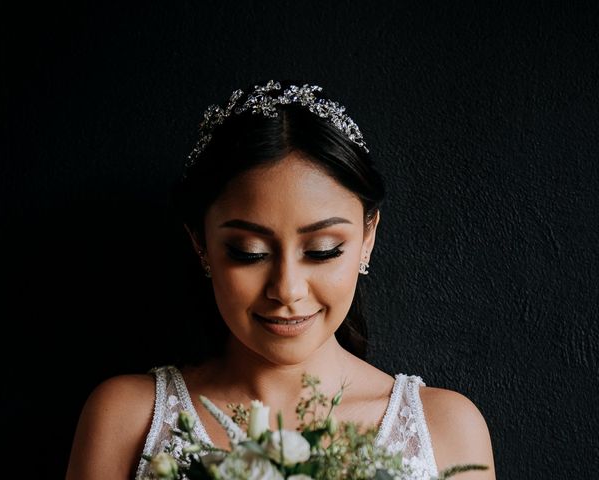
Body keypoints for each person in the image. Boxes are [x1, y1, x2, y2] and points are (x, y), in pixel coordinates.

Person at [66, 80, 496, 479]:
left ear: (368, 238)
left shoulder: (446, 428)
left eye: (323, 250)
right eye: (248, 253)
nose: (287, 289)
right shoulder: (129, 418)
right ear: (200, 244)